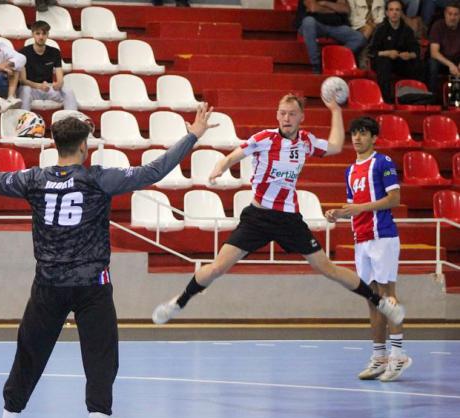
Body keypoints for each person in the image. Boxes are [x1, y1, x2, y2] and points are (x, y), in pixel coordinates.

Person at [0, 104, 216, 418]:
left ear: (54, 145)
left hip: (49, 286)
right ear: (84, 147)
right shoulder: (98, 179)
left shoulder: (33, 179)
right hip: (92, 286)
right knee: (101, 362)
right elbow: (153, 171)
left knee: (29, 356)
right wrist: (192, 135)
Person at [151, 94, 406, 332]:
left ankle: (380, 301)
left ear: (301, 117)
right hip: (258, 218)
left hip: (289, 220)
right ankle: (179, 302)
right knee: (218, 267)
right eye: (282, 113)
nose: (286, 118)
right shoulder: (264, 139)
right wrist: (220, 167)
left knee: (328, 268)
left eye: (292, 114)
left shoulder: (306, 141)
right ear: (277, 116)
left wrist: (335, 110)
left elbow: (336, 146)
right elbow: (232, 157)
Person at [324, 117, 410, 382]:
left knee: (387, 294)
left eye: (363, 133)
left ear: (374, 137)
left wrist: (360, 209)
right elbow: (354, 205)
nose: (357, 138)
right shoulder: (350, 171)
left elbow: (394, 199)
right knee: (371, 298)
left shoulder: (382, 163)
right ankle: (379, 356)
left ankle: (398, 355)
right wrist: (339, 213)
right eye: (354, 134)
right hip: (361, 239)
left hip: (383, 236)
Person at [368, 0, 424, 103]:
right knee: (384, 63)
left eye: (397, 10)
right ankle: (386, 100)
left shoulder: (407, 30)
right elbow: (372, 51)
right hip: (382, 61)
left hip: (399, 61)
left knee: (418, 64)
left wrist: (409, 55)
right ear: (387, 13)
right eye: (391, 10)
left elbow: (416, 50)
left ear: (401, 13)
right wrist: (387, 53)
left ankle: (416, 98)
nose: (394, 13)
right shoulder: (380, 29)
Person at [18, 21, 77, 112]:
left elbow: (60, 79)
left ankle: (72, 121)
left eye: (44, 33)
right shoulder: (23, 52)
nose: (41, 37)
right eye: (38, 33)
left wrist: (58, 84)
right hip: (32, 88)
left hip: (48, 88)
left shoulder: (55, 52)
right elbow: (23, 80)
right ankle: (24, 122)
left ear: (47, 35)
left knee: (68, 91)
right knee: (25, 90)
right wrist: (39, 86)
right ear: (32, 34)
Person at [297, 0, 367, 73]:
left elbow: (345, 9)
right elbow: (313, 8)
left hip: (335, 24)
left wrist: (325, 3)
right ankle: (316, 64)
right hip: (316, 24)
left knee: (359, 38)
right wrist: (334, 9)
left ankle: (333, 59)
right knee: (308, 22)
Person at [427, 2, 460, 98]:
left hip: (456, 59)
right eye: (450, 14)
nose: (452, 17)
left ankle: (455, 102)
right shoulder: (438, 26)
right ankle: (431, 99)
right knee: (432, 64)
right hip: (441, 60)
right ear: (445, 14)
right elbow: (434, 53)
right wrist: (450, 64)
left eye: (456, 14)